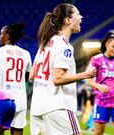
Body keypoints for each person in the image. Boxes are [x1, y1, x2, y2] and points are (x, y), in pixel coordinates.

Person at [29, 3, 96, 135]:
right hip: (58, 107)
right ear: (68, 20)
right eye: (78, 14)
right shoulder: (65, 46)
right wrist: (86, 74)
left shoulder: (45, 42)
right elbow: (58, 78)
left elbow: (32, 75)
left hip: (37, 107)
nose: (81, 18)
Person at [0, 22, 32, 135]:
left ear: (7, 36)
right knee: (17, 131)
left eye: (1, 34)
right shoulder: (26, 54)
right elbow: (26, 77)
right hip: (20, 100)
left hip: (1, 99)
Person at [86, 32, 114, 135]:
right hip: (102, 102)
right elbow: (88, 79)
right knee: (98, 133)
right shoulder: (96, 59)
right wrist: (99, 86)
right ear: (106, 44)